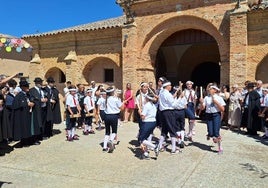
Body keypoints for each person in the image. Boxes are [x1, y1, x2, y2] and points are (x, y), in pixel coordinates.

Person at [200, 84, 226, 154]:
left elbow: (223, 109)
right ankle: (210, 135)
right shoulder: (206, 98)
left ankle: (220, 148)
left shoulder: (219, 98)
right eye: (209, 89)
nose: (209, 90)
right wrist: (201, 102)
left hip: (216, 115)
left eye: (211, 89)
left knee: (216, 133)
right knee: (211, 133)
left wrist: (216, 102)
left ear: (215, 90)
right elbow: (202, 108)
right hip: (208, 115)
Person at [158, 80, 181, 154]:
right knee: (172, 129)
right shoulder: (167, 93)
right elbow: (173, 104)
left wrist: (176, 93)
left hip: (163, 113)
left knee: (164, 130)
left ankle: (159, 146)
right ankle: (173, 149)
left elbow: (170, 99)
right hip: (169, 112)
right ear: (167, 86)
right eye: (170, 85)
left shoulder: (161, 92)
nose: (171, 87)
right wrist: (179, 98)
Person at [102, 86, 125, 153]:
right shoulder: (116, 99)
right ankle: (111, 140)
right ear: (112, 92)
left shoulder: (105, 99)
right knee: (114, 131)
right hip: (114, 116)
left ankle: (104, 147)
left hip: (106, 116)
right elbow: (122, 108)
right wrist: (122, 103)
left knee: (107, 132)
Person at [12, 80, 34, 146]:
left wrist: (32, 103)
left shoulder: (28, 94)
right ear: (22, 87)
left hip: (28, 113)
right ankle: (24, 141)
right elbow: (16, 105)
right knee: (23, 128)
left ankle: (29, 140)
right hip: (22, 115)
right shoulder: (19, 96)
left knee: (28, 127)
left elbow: (31, 99)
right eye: (26, 86)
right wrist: (27, 104)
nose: (28, 87)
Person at [138, 93, 159, 160]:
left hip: (147, 123)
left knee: (141, 139)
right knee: (146, 138)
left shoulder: (146, 105)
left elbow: (143, 117)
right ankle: (146, 154)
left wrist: (140, 113)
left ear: (147, 98)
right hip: (153, 122)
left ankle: (154, 147)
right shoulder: (153, 105)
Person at [29, 77, 47, 145]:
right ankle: (35, 138)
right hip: (36, 110)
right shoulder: (32, 90)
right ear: (36, 83)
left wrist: (45, 99)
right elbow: (32, 99)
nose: (41, 84)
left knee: (42, 123)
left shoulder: (42, 90)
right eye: (39, 83)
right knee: (36, 123)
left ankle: (40, 136)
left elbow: (45, 96)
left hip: (43, 108)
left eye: (41, 82)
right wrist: (40, 100)